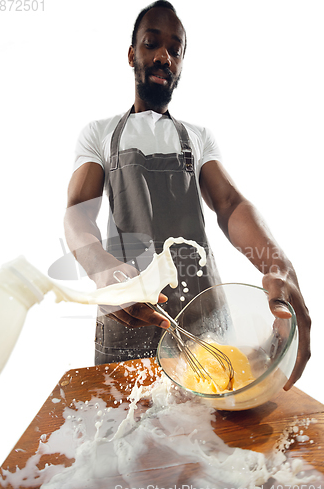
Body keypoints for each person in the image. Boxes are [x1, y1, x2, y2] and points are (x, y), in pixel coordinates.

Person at [64, 0, 310, 390]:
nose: (164, 56)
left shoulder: (197, 138)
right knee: (123, 439)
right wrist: (102, 269)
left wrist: (277, 265)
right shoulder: (99, 134)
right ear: (132, 54)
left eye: (175, 50)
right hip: (128, 309)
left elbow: (230, 204)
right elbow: (77, 214)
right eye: (151, 43)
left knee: (212, 435)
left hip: (203, 319)